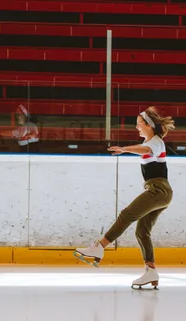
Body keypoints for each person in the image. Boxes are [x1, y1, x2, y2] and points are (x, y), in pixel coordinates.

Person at [75, 106, 175, 288]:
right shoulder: (152, 141)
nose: (136, 127)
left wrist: (125, 149)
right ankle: (151, 271)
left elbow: (146, 150)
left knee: (127, 214)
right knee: (142, 231)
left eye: (139, 124)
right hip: (161, 192)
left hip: (158, 190)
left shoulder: (156, 142)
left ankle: (99, 246)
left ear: (149, 125)